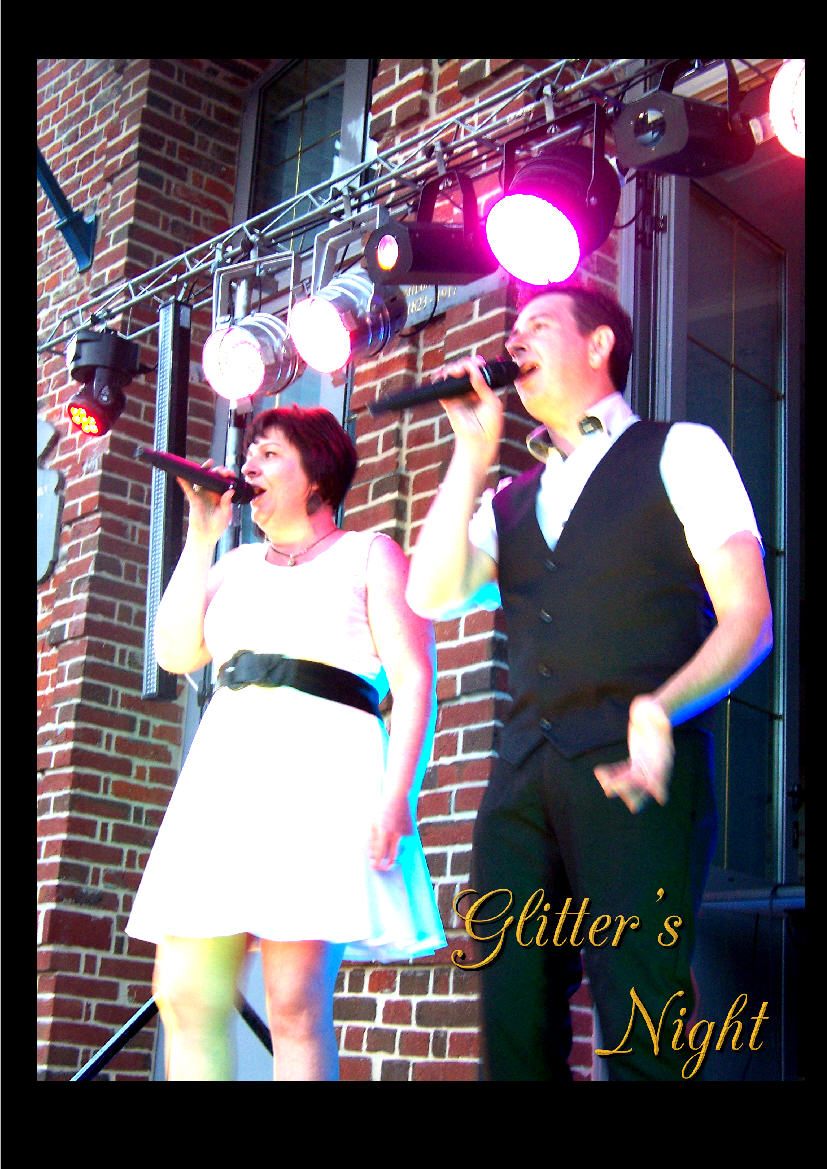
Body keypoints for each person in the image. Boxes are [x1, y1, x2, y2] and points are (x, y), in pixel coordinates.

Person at [405, 284, 773, 1081]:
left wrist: (660, 708)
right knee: (513, 1029)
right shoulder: (510, 498)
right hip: (520, 784)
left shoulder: (681, 449)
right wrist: (470, 453)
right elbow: (428, 592)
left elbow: (748, 617)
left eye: (537, 324)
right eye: (512, 328)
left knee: (643, 1022)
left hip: (632, 775)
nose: (515, 340)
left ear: (599, 344)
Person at [127, 404, 445, 1081]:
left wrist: (399, 798)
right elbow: (175, 651)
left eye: (269, 453)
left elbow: (415, 682)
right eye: (249, 453)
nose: (249, 465)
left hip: (320, 779)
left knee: (294, 1002)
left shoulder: (369, 554)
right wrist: (201, 537)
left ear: (317, 473)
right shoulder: (236, 564)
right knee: (186, 993)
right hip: (226, 779)